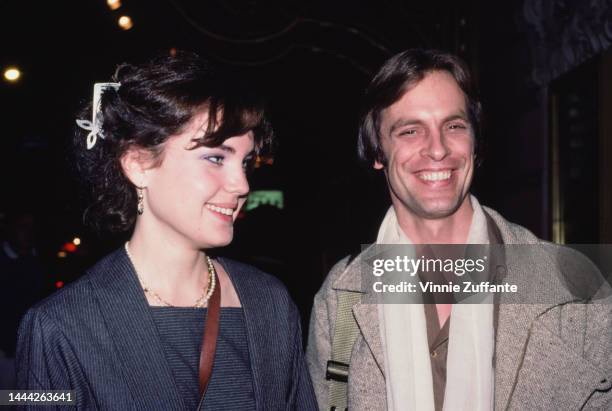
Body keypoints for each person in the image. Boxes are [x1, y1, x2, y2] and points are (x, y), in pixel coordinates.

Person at [306, 49, 612, 411]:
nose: (437, 149)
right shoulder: (341, 299)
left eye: (453, 126)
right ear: (377, 152)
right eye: (410, 130)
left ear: (475, 141)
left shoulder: (575, 288)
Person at [16, 51, 317, 410]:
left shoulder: (270, 303)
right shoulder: (60, 326)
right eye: (216, 158)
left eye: (245, 162)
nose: (241, 184)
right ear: (140, 165)